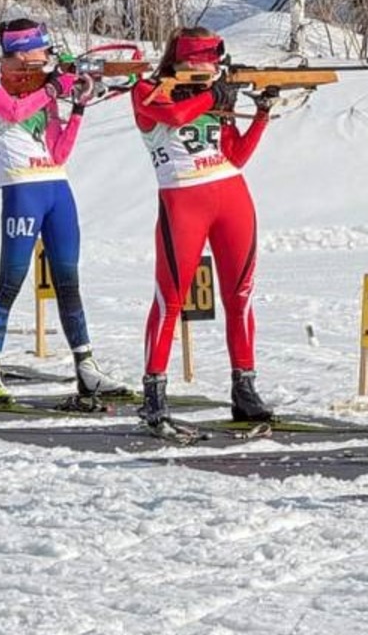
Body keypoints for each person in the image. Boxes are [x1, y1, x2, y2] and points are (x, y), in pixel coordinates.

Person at [129, 27, 279, 433]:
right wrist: (214, 96)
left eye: (215, 64)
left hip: (231, 195)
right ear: (183, 61)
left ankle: (244, 387)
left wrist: (261, 113)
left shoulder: (212, 93)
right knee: (170, 299)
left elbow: (235, 155)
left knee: (240, 295)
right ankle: (154, 392)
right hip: (183, 200)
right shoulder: (148, 90)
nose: (212, 70)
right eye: (206, 62)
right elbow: (175, 116)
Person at [0, 18, 125, 403]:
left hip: (56, 186)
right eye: (42, 47)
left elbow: (58, 152)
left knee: (68, 281)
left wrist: (78, 108)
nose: (48, 53)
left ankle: (86, 367)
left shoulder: (43, 89)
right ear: (23, 53)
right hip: (22, 188)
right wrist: (53, 87)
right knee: (11, 280)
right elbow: (13, 111)